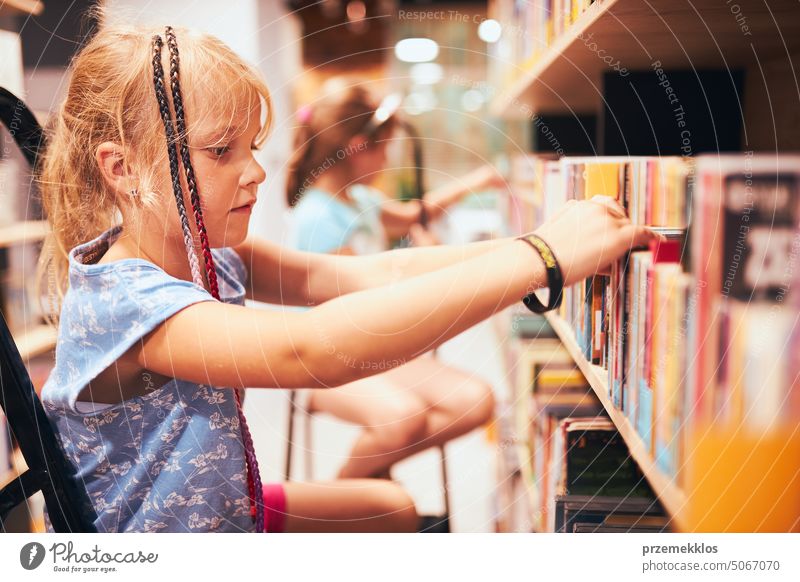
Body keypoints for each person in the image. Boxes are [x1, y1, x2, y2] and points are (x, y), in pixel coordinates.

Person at [37, 16, 660, 533]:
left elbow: (377, 272)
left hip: (227, 510)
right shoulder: (126, 300)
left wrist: (531, 245)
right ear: (123, 169)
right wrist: (542, 262)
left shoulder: (209, 255)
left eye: (253, 146)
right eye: (221, 151)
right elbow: (309, 348)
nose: (254, 172)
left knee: (392, 509)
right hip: (155, 545)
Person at [285, 81, 500, 480]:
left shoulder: (360, 201)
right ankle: (338, 504)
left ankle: (369, 480)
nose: (387, 159)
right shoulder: (319, 216)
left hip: (374, 348)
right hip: (327, 361)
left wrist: (477, 182)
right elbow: (355, 301)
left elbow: (415, 214)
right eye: (382, 147)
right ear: (356, 148)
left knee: (476, 401)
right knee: (401, 420)